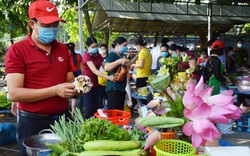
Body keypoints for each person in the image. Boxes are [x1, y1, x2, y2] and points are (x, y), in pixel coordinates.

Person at [4, 1, 77, 156]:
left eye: (54, 24)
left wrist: (80, 86)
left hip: (63, 119)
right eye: (46, 25)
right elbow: (15, 93)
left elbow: (70, 80)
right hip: (33, 122)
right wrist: (55, 90)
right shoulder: (17, 50)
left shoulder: (63, 49)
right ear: (32, 24)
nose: (51, 29)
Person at [82, 37, 116, 119]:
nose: (94, 49)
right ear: (87, 47)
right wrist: (108, 77)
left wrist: (116, 67)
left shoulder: (98, 56)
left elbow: (106, 67)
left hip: (95, 84)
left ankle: (95, 126)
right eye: (92, 47)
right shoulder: (87, 56)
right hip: (86, 85)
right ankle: (83, 126)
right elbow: (94, 71)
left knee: (96, 108)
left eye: (96, 46)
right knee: (89, 108)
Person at [105, 37, 130, 110]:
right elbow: (107, 68)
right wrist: (119, 61)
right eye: (124, 45)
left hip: (120, 88)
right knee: (114, 112)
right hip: (114, 88)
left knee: (119, 111)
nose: (126, 47)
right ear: (118, 45)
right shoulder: (112, 55)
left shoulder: (120, 56)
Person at [66, 42, 82, 115]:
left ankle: (67, 112)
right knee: (74, 97)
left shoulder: (65, 56)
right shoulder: (78, 56)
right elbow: (81, 68)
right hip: (76, 76)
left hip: (67, 76)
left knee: (67, 94)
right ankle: (73, 113)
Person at [97, 43, 109, 109]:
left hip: (107, 78)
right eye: (101, 49)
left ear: (106, 49)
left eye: (103, 49)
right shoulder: (98, 57)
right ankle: (100, 109)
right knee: (100, 95)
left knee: (106, 95)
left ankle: (106, 108)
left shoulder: (109, 57)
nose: (102, 50)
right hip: (100, 78)